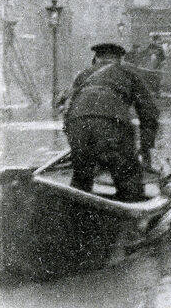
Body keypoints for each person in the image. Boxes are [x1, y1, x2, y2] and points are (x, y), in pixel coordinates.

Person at [62, 43, 160, 202]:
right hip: (112, 123)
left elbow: (66, 107)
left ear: (95, 59)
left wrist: (75, 139)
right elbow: (149, 111)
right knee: (129, 178)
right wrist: (146, 145)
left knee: (81, 176)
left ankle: (76, 215)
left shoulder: (83, 75)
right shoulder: (128, 73)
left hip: (76, 123)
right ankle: (131, 218)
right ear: (120, 59)